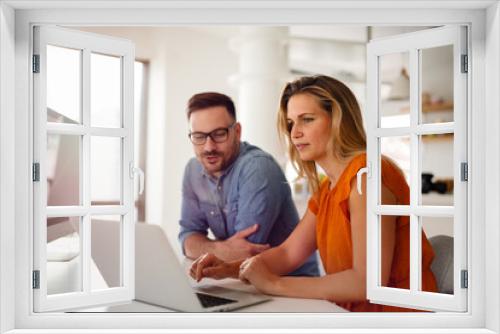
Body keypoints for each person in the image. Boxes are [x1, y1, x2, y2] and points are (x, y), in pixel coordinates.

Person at [189, 76, 437, 312]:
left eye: (307, 119)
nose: (294, 132)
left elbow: (365, 282)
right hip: (348, 315)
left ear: (338, 120)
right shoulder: (328, 188)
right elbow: (288, 254)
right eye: (291, 123)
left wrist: (275, 284)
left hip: (395, 320)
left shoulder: (367, 177)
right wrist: (228, 269)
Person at [179, 92, 319, 277]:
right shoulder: (193, 170)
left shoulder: (258, 168)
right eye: (198, 136)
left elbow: (244, 253)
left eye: (219, 134)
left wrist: (204, 248)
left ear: (237, 132)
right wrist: (219, 249)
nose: (208, 147)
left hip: (291, 289)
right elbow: (187, 236)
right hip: (236, 281)